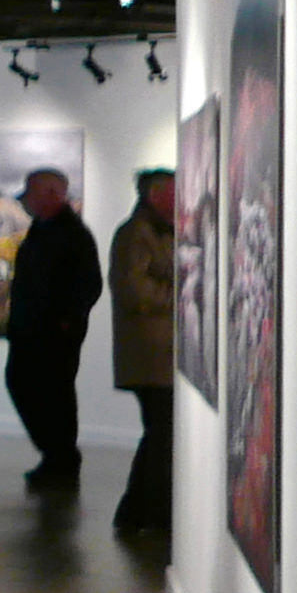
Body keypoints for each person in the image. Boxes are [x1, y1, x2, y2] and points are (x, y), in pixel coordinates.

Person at [4, 166, 105, 490]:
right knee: (32, 388)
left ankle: (59, 457)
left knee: (52, 394)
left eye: (31, 192)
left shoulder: (71, 234)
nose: (26, 201)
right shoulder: (45, 229)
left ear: (52, 194)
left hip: (51, 333)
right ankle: (57, 455)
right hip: (33, 329)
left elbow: (89, 284)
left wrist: (67, 320)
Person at [110, 167, 179, 533]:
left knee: (161, 434)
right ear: (154, 195)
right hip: (151, 355)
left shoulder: (159, 231)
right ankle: (141, 512)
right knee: (161, 434)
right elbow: (134, 292)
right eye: (173, 191)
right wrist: (183, 295)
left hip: (160, 353)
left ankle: (143, 511)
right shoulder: (135, 233)